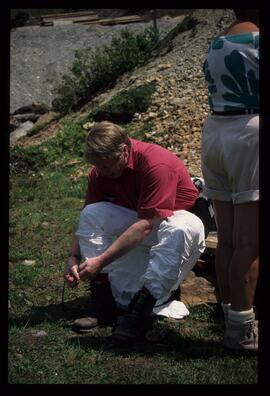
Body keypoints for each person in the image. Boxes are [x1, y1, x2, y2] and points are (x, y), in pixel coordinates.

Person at [64, 121, 206, 342]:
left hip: (174, 220)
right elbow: (87, 214)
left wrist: (100, 260)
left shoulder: (155, 163)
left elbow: (148, 224)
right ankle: (104, 299)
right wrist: (73, 256)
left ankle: (143, 306)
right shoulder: (100, 172)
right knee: (92, 213)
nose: (104, 173)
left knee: (180, 228)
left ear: (124, 150)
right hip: (140, 219)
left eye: (108, 166)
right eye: (99, 167)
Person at [201, 9, 259, 351]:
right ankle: (242, 329)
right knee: (250, 242)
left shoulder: (217, 43)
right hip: (250, 133)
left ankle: (229, 316)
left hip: (216, 131)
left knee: (226, 240)